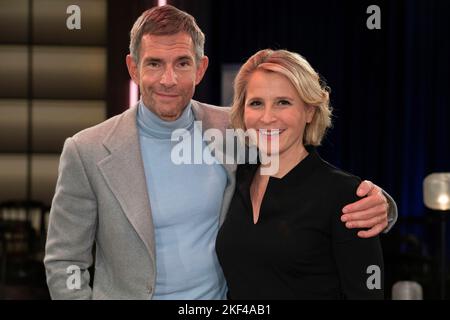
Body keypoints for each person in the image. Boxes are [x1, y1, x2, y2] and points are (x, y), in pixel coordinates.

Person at [44, 5, 395, 300]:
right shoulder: (86, 150)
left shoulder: (238, 129)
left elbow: (314, 180)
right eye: (154, 64)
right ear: (133, 68)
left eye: (182, 63)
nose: (169, 79)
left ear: (200, 68)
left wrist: (384, 207)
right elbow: (64, 262)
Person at [216, 49, 385, 299]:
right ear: (242, 111)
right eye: (256, 103)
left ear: (309, 111)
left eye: (283, 102)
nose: (267, 117)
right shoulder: (236, 178)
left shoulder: (345, 194)